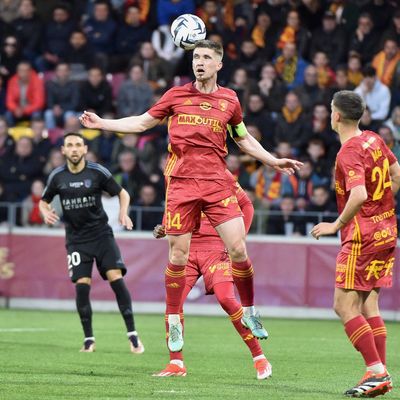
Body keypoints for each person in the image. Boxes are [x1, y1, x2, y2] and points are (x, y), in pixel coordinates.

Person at [80, 39, 302, 353]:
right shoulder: (176, 95)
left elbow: (244, 139)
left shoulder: (230, 100)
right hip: (182, 185)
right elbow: (143, 122)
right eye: (196, 56)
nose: (199, 62)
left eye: (206, 57)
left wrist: (273, 159)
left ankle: (250, 310)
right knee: (178, 257)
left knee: (238, 249)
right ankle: (173, 320)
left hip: (216, 182)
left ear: (219, 64)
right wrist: (103, 123)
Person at [311, 90, 400, 397]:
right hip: (387, 230)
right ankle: (379, 373)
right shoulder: (374, 139)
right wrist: (382, 207)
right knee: (368, 303)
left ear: (336, 116)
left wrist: (336, 224)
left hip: (362, 237)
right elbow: (396, 171)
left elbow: (359, 194)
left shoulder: (348, 151)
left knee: (343, 306)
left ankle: (376, 372)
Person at [152, 176, 272, 380]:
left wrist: (238, 239)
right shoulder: (176, 176)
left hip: (217, 250)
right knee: (174, 303)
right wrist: (165, 227)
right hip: (187, 251)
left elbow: (246, 205)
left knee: (226, 299)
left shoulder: (218, 172)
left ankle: (260, 358)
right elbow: (172, 210)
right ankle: (176, 362)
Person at [39, 132, 144, 354]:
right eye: (70, 145)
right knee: (82, 285)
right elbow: (43, 201)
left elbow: (122, 193)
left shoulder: (96, 172)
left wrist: (123, 214)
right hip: (76, 240)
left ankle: (133, 335)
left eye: (78, 145)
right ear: (63, 151)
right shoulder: (57, 177)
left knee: (116, 277)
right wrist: (45, 212)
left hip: (101, 235)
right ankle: (88, 339)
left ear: (85, 149)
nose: (74, 149)